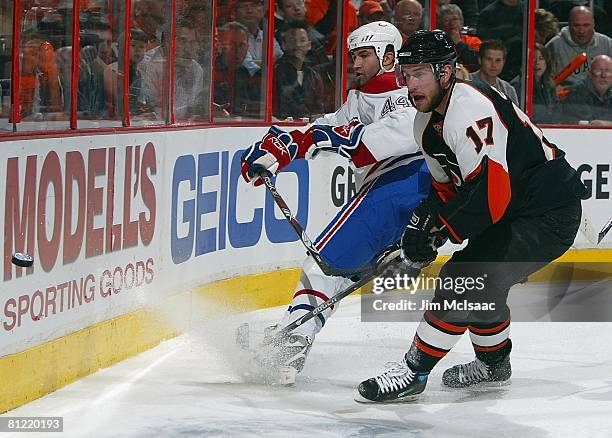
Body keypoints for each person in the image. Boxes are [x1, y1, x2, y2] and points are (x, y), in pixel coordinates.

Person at [356, 30, 585, 403]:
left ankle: (414, 371)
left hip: (548, 213)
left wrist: (440, 232)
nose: (409, 84)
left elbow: (493, 195)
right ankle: (494, 365)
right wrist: (423, 227)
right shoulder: (425, 122)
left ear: (445, 73)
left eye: (419, 74)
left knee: (464, 278)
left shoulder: (469, 109)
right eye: (406, 74)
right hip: (516, 211)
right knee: (483, 284)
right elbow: (447, 188)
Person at [240, 21, 429, 384]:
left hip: (402, 186)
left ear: (389, 56)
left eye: (364, 55)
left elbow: (372, 143)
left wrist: (308, 140)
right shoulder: (358, 100)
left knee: (324, 265)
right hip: (393, 192)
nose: (355, 63)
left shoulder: (408, 93)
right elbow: (326, 127)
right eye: (353, 55)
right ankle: (294, 333)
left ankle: (293, 341)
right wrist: (283, 147)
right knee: (334, 270)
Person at [546, 6, 612, 87]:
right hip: (565, 96)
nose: (581, 31)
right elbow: (545, 81)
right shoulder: (554, 46)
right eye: (576, 26)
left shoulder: (607, 44)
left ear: (593, 24)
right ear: (569, 24)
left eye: (586, 25)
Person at [273, 22, 325, 119]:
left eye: (302, 40)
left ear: (309, 45)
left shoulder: (314, 76)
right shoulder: (274, 73)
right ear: (283, 45)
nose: (297, 45)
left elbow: (318, 110)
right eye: (292, 41)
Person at [511, 43, 560, 124]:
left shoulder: (549, 84)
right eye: (533, 58)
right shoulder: (518, 85)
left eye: (541, 58)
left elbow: (557, 111)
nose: (537, 62)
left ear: (546, 62)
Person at [561, 54, 611, 125]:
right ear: (590, 73)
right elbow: (567, 120)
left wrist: (607, 124)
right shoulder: (576, 93)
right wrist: (590, 124)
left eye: (608, 71)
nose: (603, 75)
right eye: (598, 70)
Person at [469, 40, 519, 105]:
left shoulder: (508, 89)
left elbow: (514, 114)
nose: (493, 65)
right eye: (489, 59)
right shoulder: (467, 81)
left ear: (503, 62)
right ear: (480, 60)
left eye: (498, 60)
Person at [437, 3, 481, 72]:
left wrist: (459, 43)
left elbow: (478, 63)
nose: (452, 23)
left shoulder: (473, 41)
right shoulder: (436, 42)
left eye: (455, 19)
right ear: (440, 25)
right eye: (447, 20)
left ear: (462, 22)